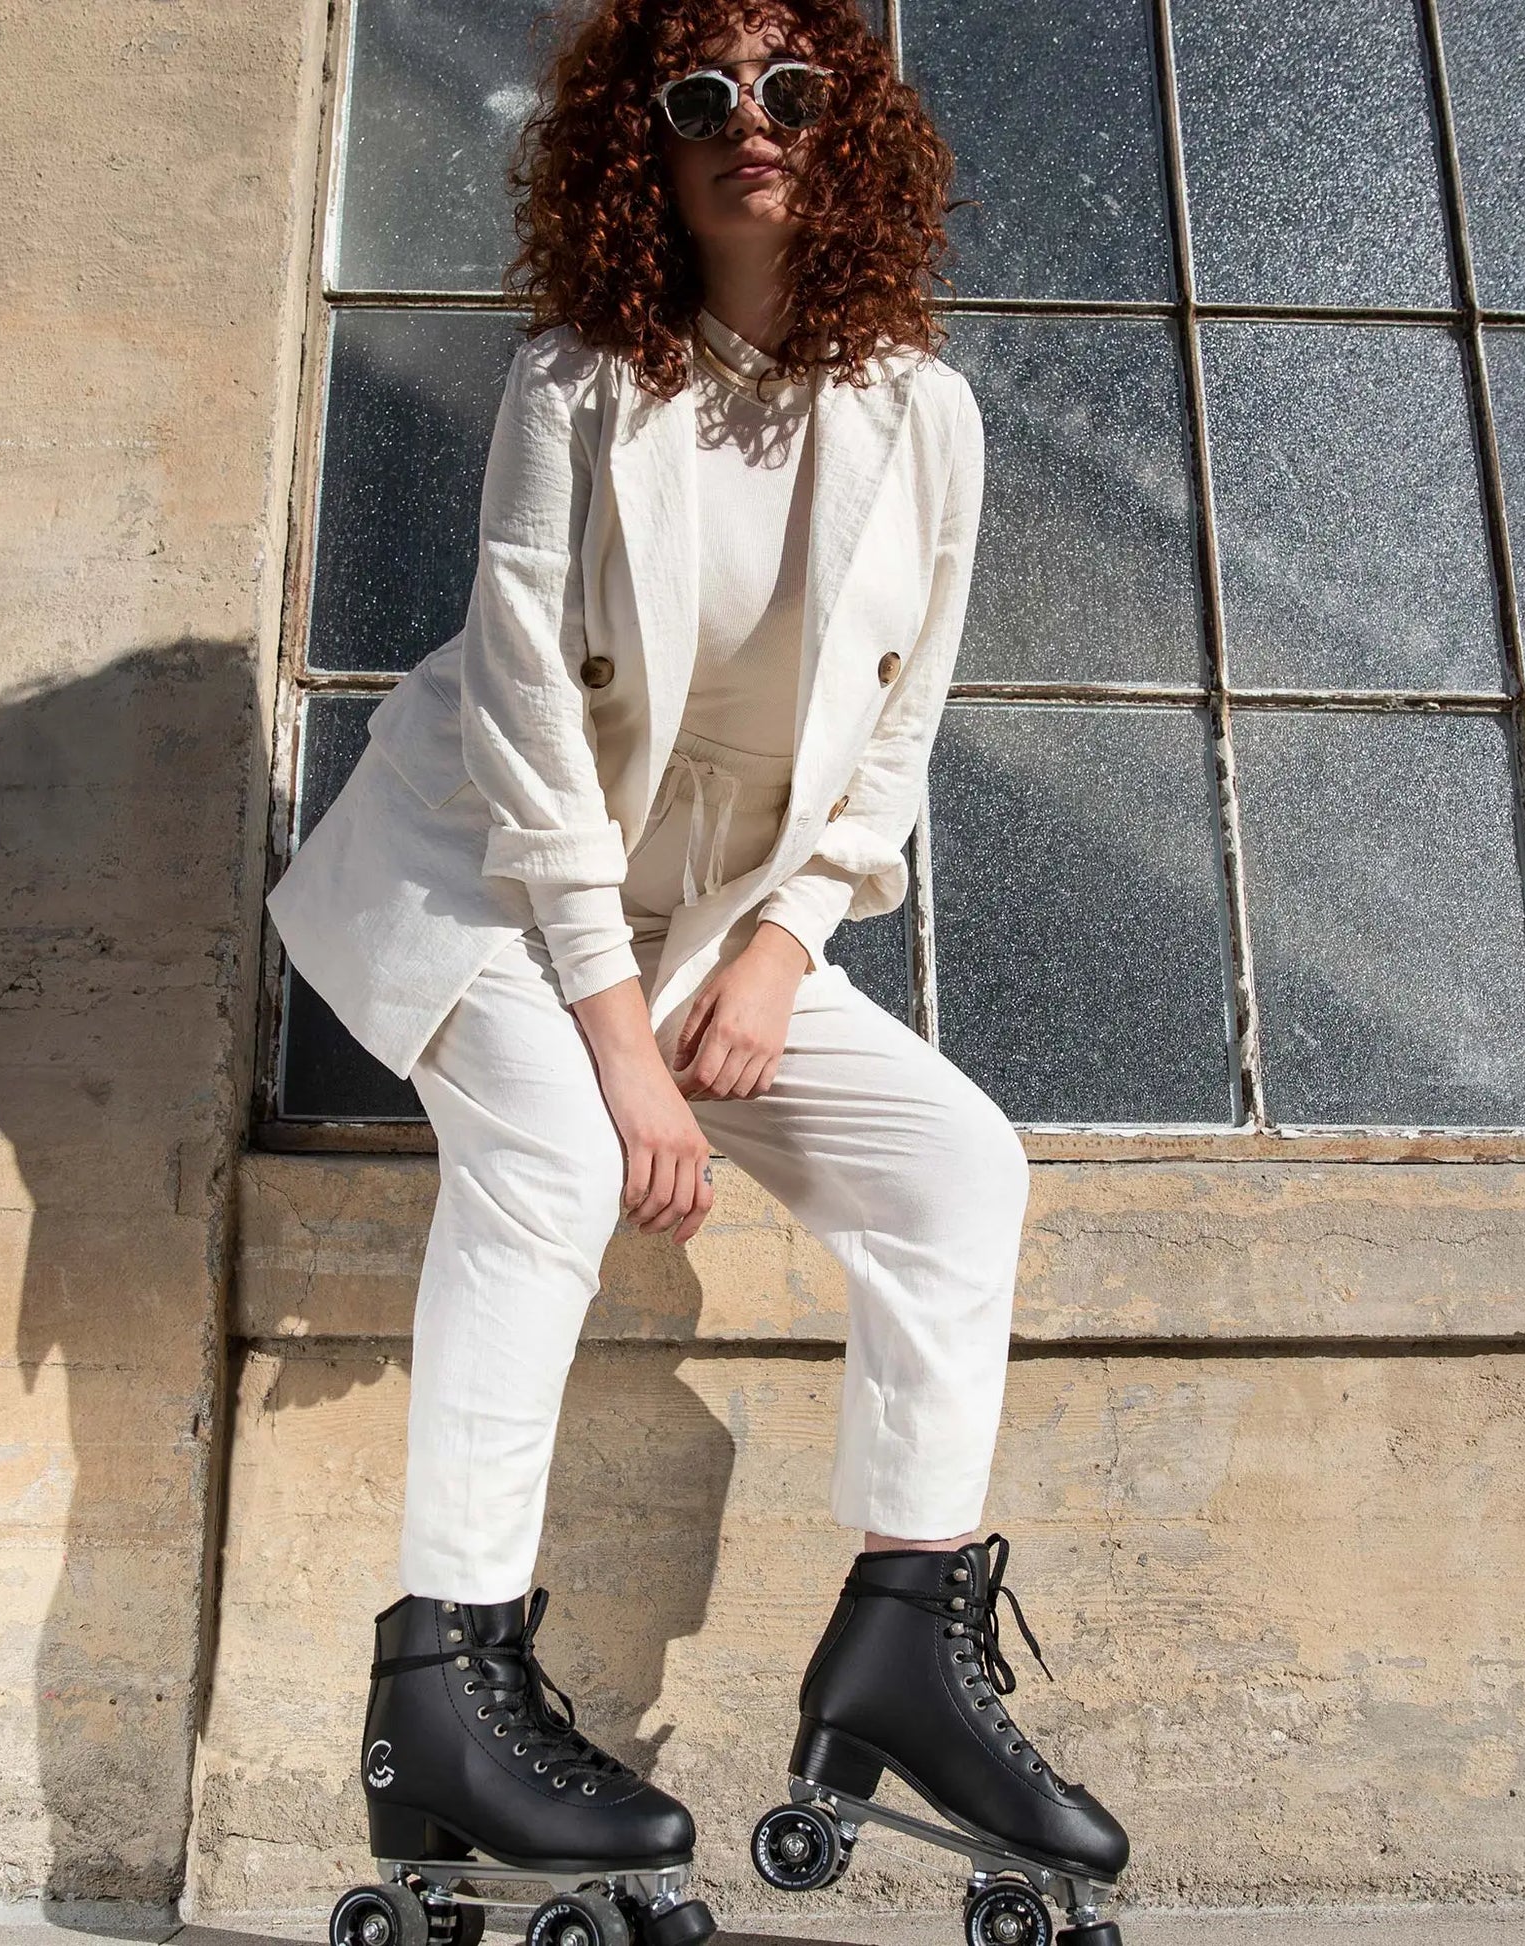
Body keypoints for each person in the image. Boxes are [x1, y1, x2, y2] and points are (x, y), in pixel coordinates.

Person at [269, 4, 1130, 1939]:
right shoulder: (576, 387)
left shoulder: (925, 412)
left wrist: (781, 947)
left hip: (716, 922)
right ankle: (444, 1694)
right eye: (700, 95)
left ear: (853, 136)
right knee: (563, 1166)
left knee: (952, 1169)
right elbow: (522, 738)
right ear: (636, 148)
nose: (753, 122)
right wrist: (628, 1054)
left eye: (795, 89)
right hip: (492, 887)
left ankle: (902, 1645)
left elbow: (897, 732)